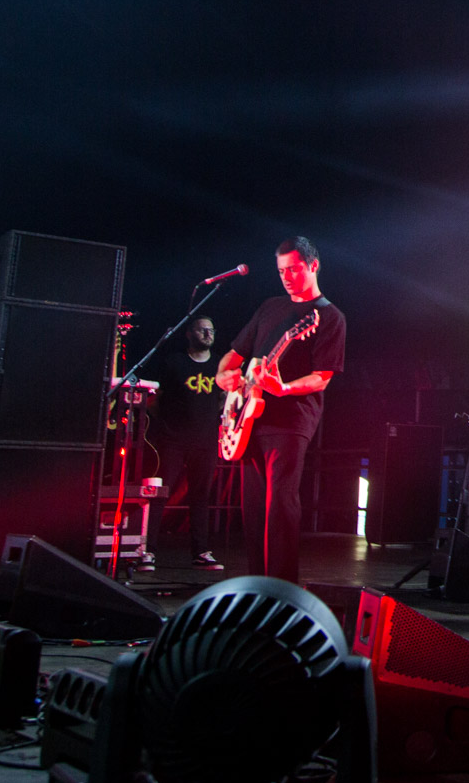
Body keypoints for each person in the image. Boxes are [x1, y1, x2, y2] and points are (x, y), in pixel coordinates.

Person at [216, 237, 347, 584]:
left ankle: (282, 586)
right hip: (248, 418)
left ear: (313, 265)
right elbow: (234, 355)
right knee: (255, 507)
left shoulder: (329, 316)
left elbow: (322, 378)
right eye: (281, 271)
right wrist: (223, 376)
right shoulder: (270, 307)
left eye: (293, 269)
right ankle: (258, 584)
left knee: (281, 502)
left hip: (292, 419)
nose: (286, 277)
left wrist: (284, 387)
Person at [143, 315, 226, 571]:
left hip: (206, 441)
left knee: (201, 496)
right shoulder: (174, 364)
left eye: (211, 330)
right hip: (174, 441)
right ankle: (146, 550)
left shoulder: (220, 367)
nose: (208, 334)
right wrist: (168, 426)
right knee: (159, 494)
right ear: (189, 333)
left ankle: (201, 551)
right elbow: (153, 400)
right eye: (202, 330)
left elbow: (225, 398)